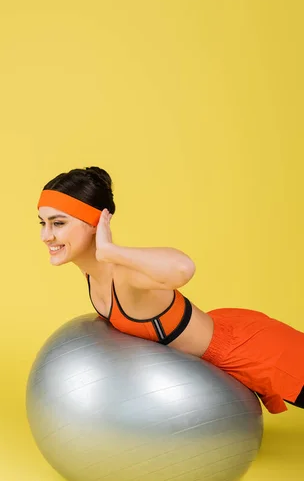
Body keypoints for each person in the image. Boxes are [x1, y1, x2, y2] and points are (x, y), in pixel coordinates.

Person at [37, 166, 304, 415]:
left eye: (58, 223)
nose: (46, 235)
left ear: (96, 222)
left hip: (251, 351)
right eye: (42, 223)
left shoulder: (124, 274)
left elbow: (183, 267)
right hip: (221, 334)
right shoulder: (90, 271)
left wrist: (110, 250)